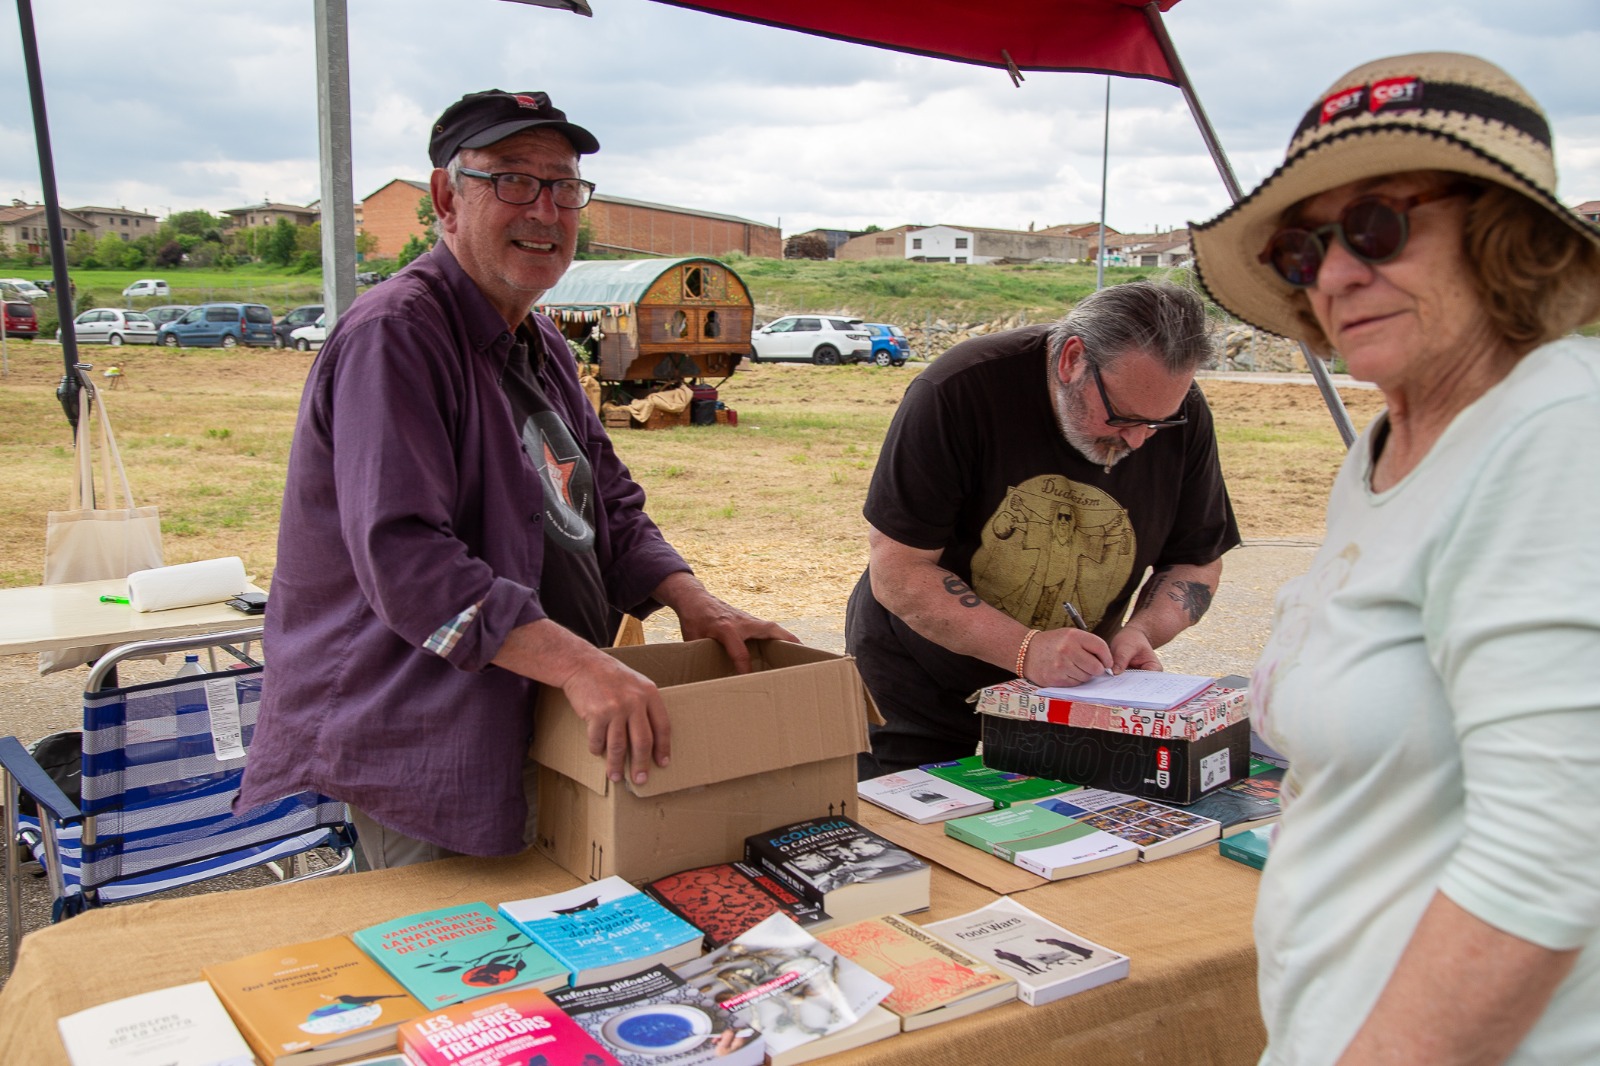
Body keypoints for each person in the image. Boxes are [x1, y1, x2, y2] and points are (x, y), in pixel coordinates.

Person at [237, 90, 792, 868]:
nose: (545, 209)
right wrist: (580, 663)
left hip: (536, 718)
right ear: (446, 198)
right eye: (512, 181)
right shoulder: (398, 334)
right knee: (461, 971)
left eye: (564, 187)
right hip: (425, 737)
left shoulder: (540, 345)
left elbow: (605, 500)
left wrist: (693, 602)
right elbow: (405, 558)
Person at [1189, 52, 1600, 1065]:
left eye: (1377, 224)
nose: (1334, 273)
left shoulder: (1554, 429)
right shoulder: (1391, 446)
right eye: (1304, 248)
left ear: (1504, 232)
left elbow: (1548, 857)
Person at [846, 280, 1240, 776]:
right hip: (919, 684)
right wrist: (1024, 649)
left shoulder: (1175, 411)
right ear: (1072, 360)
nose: (1140, 441)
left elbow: (1197, 558)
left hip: (1072, 686)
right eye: (1123, 418)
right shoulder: (959, 389)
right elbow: (899, 570)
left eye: (1157, 424)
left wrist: (1141, 631)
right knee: (909, 839)